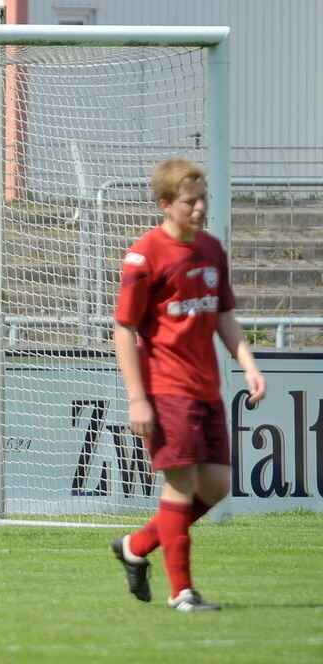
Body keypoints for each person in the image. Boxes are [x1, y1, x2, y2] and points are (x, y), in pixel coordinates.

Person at [111, 157, 266, 611]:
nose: (200, 208)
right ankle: (182, 593)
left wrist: (249, 364)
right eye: (189, 202)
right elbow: (124, 328)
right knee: (179, 487)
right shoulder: (145, 255)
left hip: (206, 387)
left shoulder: (212, 249)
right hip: (165, 387)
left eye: (203, 200)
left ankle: (136, 547)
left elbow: (223, 316)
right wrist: (138, 398)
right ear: (165, 205)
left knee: (216, 486)